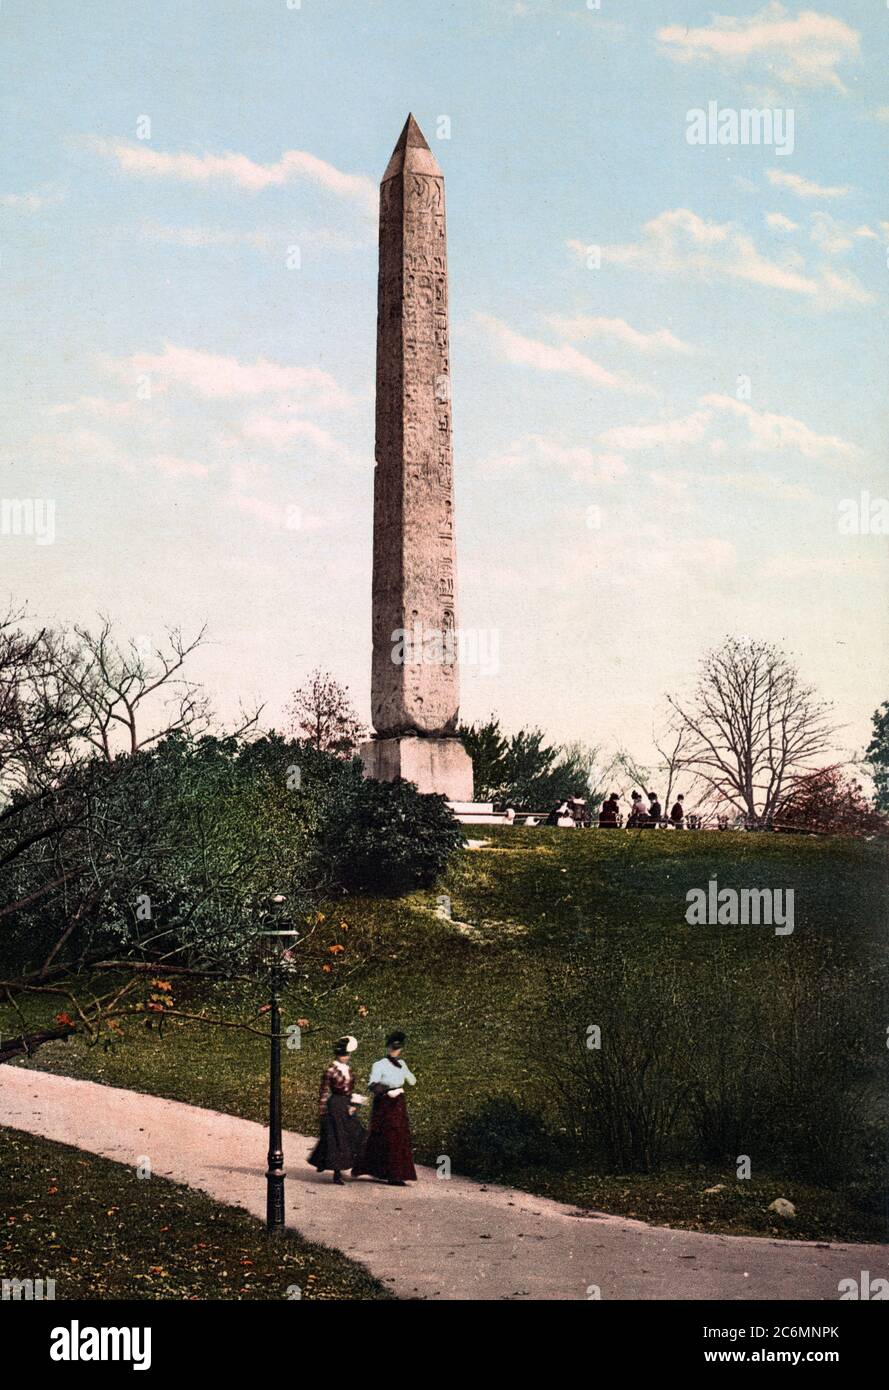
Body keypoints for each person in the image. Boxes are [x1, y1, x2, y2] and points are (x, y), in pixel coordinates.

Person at [352, 1031, 417, 1186]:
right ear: (388, 1048)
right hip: (384, 1103)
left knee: (399, 1136)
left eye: (398, 1048)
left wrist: (404, 1075)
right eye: (393, 1048)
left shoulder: (402, 1064)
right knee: (384, 1136)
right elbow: (372, 1084)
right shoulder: (379, 1064)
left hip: (398, 1103)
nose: (395, 1051)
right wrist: (388, 1091)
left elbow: (412, 1081)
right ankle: (387, 1173)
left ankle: (396, 1173)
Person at [307, 1035, 366, 1185]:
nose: (345, 1057)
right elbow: (324, 1092)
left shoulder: (348, 1070)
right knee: (337, 1138)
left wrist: (355, 1103)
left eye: (346, 1055)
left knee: (356, 1132)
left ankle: (341, 1164)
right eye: (342, 1055)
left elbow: (350, 1089)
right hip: (335, 1105)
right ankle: (337, 1173)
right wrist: (322, 1112)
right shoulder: (331, 1071)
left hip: (346, 1104)